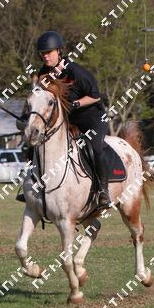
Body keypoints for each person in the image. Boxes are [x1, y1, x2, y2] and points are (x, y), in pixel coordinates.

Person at [35, 31, 112, 211]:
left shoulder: (75, 71)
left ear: (59, 51)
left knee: (95, 147)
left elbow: (95, 96)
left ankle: (103, 190)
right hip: (69, 121)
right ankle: (33, 184)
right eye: (42, 53)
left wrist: (75, 103)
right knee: (37, 143)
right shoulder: (44, 72)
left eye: (49, 52)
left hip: (92, 117)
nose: (45, 56)